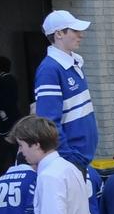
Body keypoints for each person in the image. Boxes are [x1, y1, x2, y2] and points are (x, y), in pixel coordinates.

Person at [33, 10, 97, 168]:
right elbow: (48, 122)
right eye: (74, 30)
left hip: (80, 157)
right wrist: (69, 157)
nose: (81, 35)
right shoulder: (49, 69)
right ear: (59, 34)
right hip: (71, 159)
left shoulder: (73, 63)